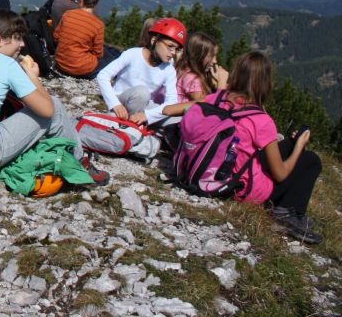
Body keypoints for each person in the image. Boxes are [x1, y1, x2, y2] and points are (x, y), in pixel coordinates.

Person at [0, 9, 107, 182]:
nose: (22, 44)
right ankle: (80, 161)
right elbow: (48, 111)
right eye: (17, 38)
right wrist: (32, 76)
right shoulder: (8, 64)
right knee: (56, 108)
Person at [205, 52, 323, 244]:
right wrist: (299, 147)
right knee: (311, 160)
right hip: (242, 189)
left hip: (216, 169)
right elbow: (280, 175)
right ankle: (287, 213)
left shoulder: (216, 99)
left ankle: (287, 206)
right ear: (265, 83)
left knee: (288, 145)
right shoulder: (261, 121)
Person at [96, 18, 186, 127]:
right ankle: (129, 127)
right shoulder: (133, 54)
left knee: (178, 118)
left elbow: (171, 101)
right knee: (142, 93)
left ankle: (132, 124)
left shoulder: (169, 69)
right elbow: (103, 75)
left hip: (144, 106)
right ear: (154, 40)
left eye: (177, 49)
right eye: (170, 46)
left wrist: (147, 115)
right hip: (123, 100)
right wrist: (115, 104)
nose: (173, 52)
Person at [54, 0, 120, 79]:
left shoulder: (67, 15)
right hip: (82, 70)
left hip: (61, 64)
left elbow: (56, 37)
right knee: (110, 58)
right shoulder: (98, 25)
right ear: (96, 2)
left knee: (107, 50)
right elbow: (98, 53)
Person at [176, 32, 229, 103]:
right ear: (198, 55)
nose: (215, 61)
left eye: (215, 56)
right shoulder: (192, 79)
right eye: (211, 56)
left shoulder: (185, 69)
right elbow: (206, 108)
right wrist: (221, 83)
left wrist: (214, 85)